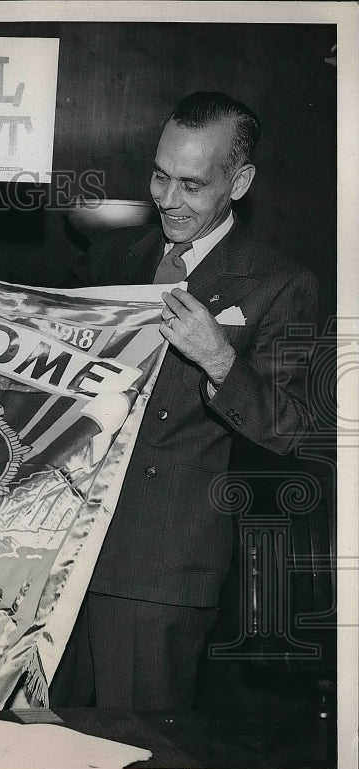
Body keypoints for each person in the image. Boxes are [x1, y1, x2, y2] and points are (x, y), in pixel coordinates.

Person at [50, 92, 319, 710]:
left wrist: (219, 357)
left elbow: (293, 429)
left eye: (192, 185)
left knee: (141, 753)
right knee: (42, 740)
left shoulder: (283, 286)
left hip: (161, 570)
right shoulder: (113, 256)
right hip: (60, 552)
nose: (169, 201)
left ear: (240, 182)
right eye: (160, 177)